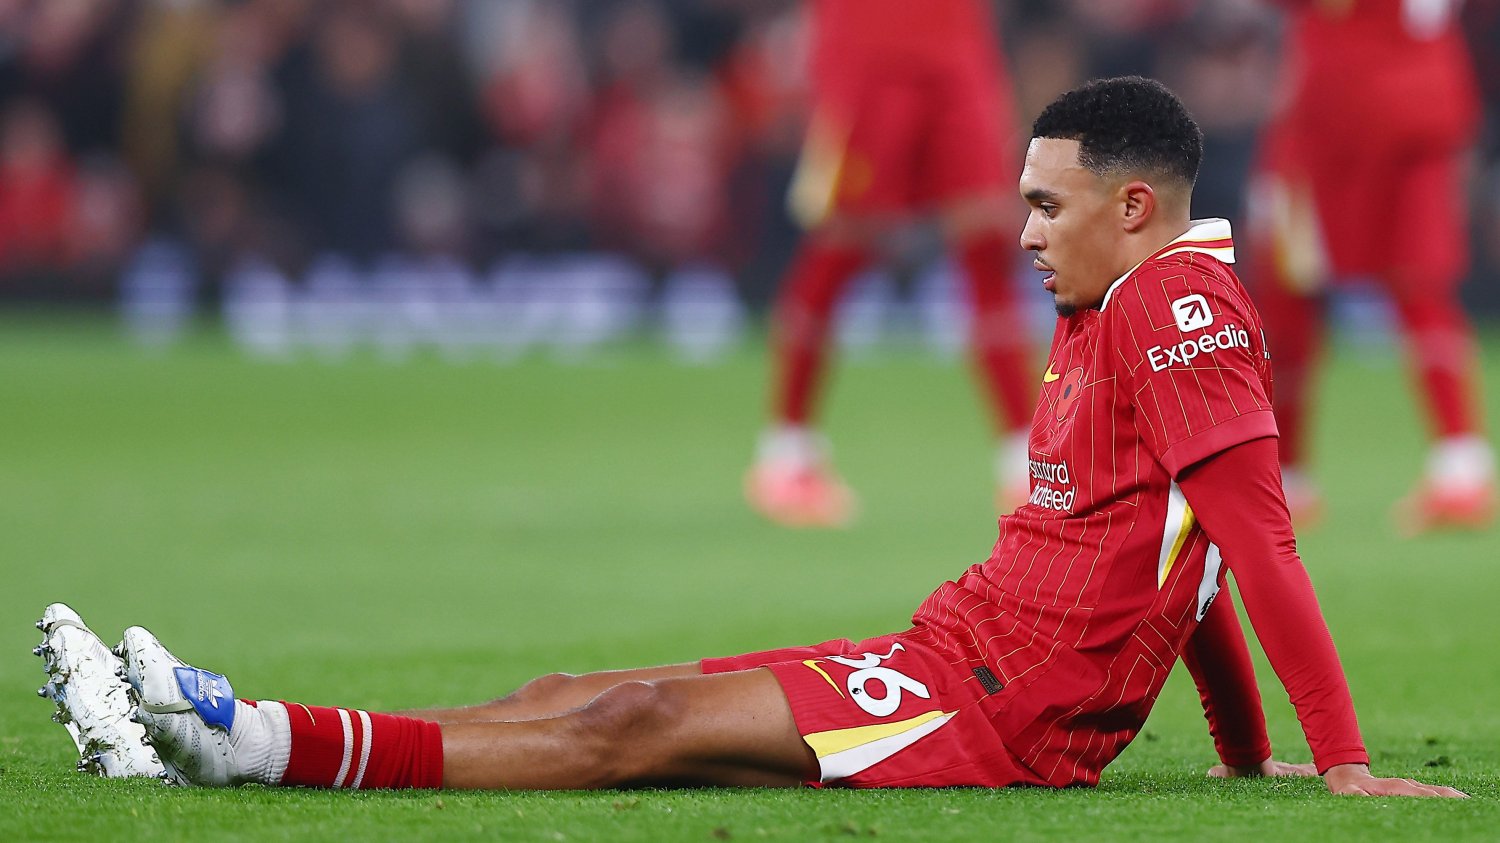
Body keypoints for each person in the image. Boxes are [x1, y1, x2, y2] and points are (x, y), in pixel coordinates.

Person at [39, 78, 1465, 798]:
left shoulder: (1182, 306)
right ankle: (206, 744)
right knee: (576, 684)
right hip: (949, 651)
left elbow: (1251, 533)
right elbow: (1185, 548)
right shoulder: (1115, 303)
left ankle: (254, 741)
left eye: (1047, 204)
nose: (1022, 232)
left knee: (629, 726)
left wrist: (1332, 758)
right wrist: (1234, 756)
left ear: (1135, 206)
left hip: (997, 708)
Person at [745, 0, 1036, 527]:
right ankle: (786, 454)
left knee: (988, 239)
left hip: (956, 44)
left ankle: (1026, 464)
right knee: (843, 241)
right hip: (866, 46)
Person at [1249, 0, 1494, 531]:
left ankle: (1288, 482)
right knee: (1416, 287)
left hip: (1336, 125)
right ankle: (1461, 469)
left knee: (1294, 292)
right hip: (1413, 112)